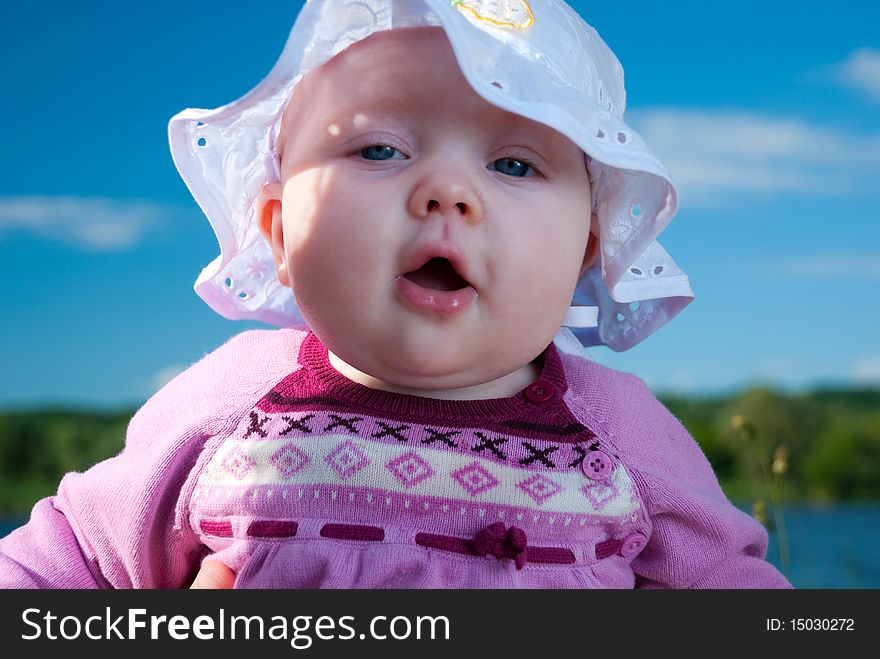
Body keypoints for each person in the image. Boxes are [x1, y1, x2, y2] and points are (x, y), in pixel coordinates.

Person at [0, 0, 791, 589]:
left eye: (515, 165)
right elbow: (52, 571)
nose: (447, 192)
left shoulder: (620, 437)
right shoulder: (234, 411)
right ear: (277, 230)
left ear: (587, 244)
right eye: (380, 148)